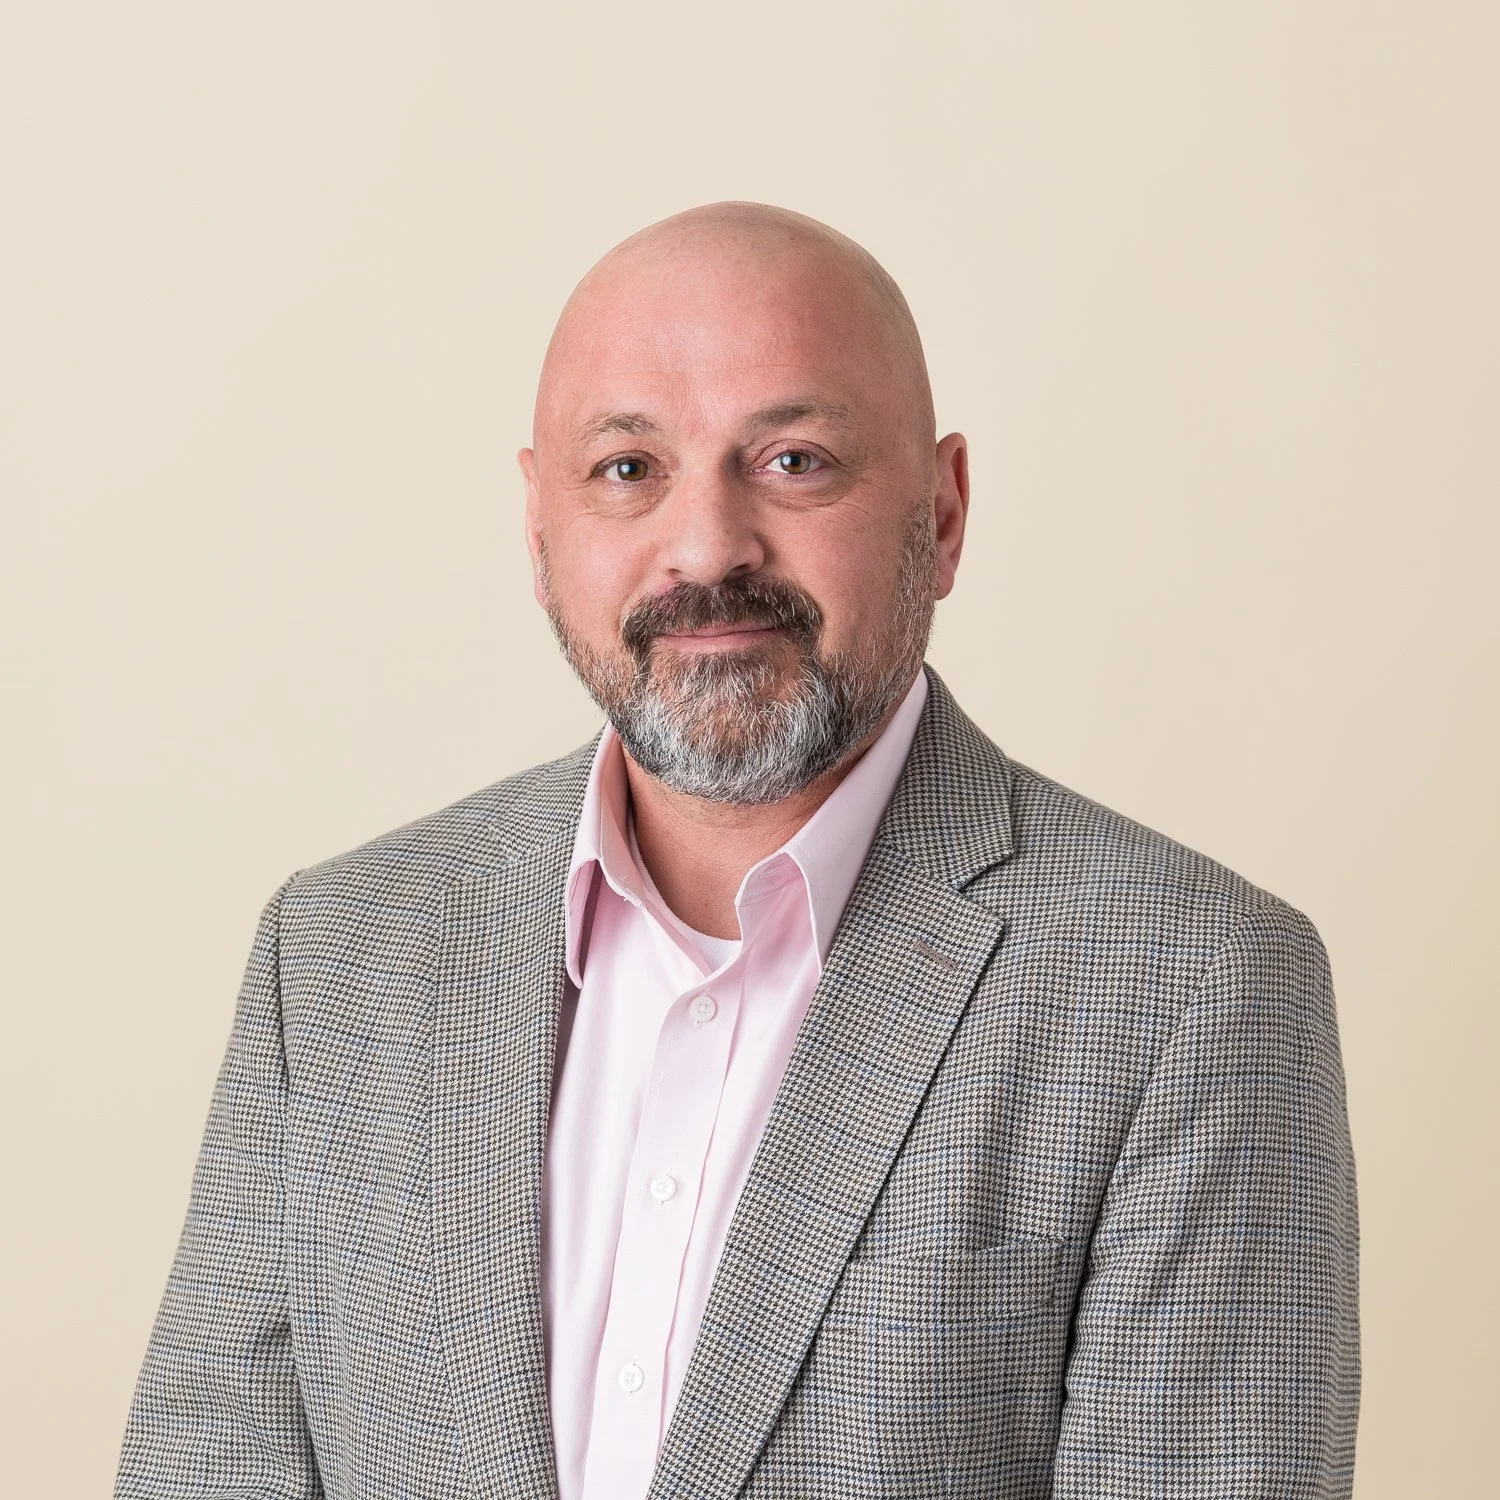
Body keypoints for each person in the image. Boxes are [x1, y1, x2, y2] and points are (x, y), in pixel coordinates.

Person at [116, 202, 1360, 1500]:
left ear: (940, 515)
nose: (707, 546)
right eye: (628, 470)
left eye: (795, 461)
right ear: (542, 534)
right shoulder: (333, 960)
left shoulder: (1193, 989)